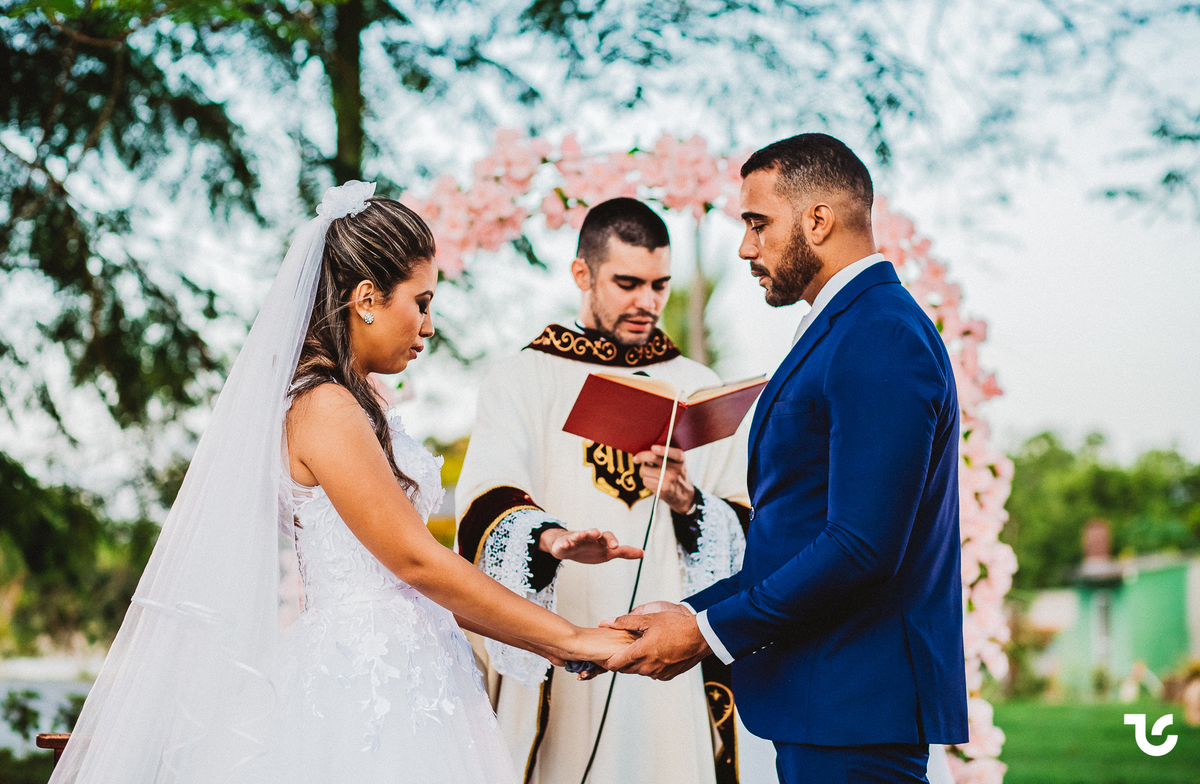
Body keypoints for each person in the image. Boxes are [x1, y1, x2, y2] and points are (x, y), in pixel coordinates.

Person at [49, 182, 631, 784]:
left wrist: (552, 641)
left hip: (408, 670)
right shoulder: (325, 407)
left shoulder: (344, 403)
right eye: (422, 302)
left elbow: (416, 581)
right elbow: (415, 562)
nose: (429, 326)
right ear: (367, 298)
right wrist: (571, 638)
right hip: (369, 689)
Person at [602, 134, 970, 783]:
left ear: (818, 220)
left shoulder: (880, 333)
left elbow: (861, 548)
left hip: (855, 711)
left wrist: (707, 633)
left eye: (757, 223)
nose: (746, 247)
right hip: (826, 707)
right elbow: (797, 534)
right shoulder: (848, 325)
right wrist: (691, 612)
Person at [455, 198, 752, 784]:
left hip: (670, 660)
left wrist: (689, 503)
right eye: (627, 283)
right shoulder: (523, 377)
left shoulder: (698, 386)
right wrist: (549, 538)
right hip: (564, 630)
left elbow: (746, 529)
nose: (648, 302)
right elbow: (488, 497)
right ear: (582, 274)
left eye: (660, 285)